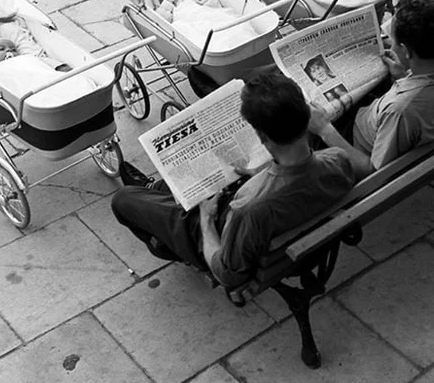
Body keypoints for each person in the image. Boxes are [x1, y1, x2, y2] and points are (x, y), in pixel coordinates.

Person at [111, 73, 355, 288]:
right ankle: (155, 191)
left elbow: (228, 274)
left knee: (124, 199)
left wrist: (206, 219)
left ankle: (168, 242)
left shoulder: (249, 210)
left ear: (261, 136)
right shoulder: (339, 160)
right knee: (170, 188)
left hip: (224, 228)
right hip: (304, 241)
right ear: (306, 117)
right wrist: (265, 172)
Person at [309, 0, 434, 179]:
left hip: (353, 140)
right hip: (386, 115)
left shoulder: (400, 112)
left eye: (393, 39)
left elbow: (374, 173)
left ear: (405, 50)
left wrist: (324, 129)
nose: (391, 43)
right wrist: (400, 76)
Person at [0, 38, 70, 72]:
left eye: (13, 50)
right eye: (1, 49)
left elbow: (43, 61)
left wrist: (59, 67)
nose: (8, 50)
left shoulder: (26, 58)